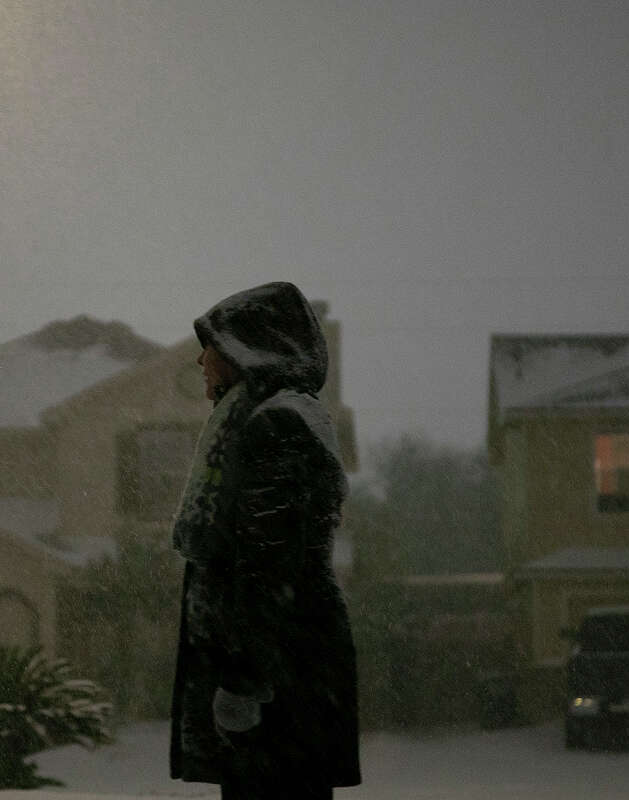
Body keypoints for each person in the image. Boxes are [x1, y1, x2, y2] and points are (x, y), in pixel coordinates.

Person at [169, 281, 361, 799]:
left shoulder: (277, 425)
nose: (200, 362)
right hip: (286, 675)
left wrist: (245, 680)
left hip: (282, 686)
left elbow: (270, 568)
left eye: (209, 346)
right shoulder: (266, 418)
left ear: (243, 351)